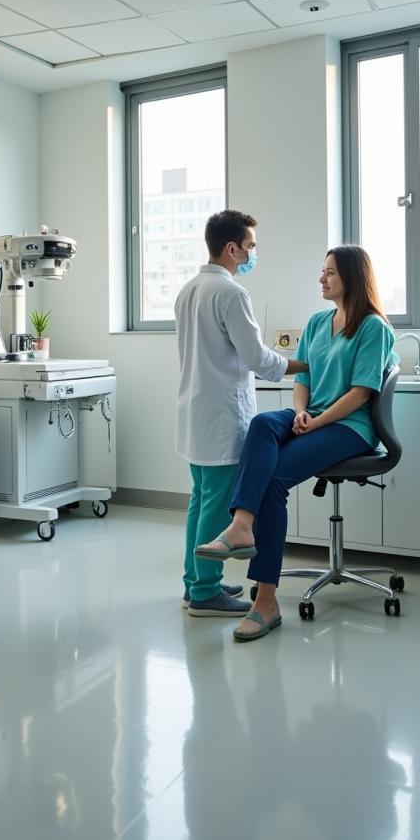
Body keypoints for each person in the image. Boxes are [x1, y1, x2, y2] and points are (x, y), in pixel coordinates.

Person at [196, 244, 398, 641]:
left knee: (274, 479)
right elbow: (302, 380)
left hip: (349, 427)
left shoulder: (374, 327)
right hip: (314, 417)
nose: (321, 279)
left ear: (352, 279)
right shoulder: (317, 323)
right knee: (262, 424)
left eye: (330, 273)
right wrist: (302, 412)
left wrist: (319, 420)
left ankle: (265, 601)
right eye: (322, 271)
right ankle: (241, 525)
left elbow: (360, 393)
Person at [176, 209, 307, 617]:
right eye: (249, 246)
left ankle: (195, 582)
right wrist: (301, 364)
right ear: (231, 248)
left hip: (195, 411)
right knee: (215, 506)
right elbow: (256, 357)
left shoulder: (189, 289)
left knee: (201, 501)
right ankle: (204, 593)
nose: (252, 254)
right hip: (220, 416)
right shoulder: (231, 293)